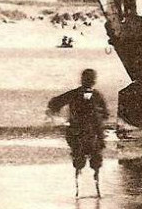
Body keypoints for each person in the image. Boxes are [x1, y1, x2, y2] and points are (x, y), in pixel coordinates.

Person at [46, 68, 110, 198]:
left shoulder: (81, 94)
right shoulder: (95, 95)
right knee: (90, 160)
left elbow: (55, 103)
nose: (89, 81)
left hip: (84, 132)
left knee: (85, 160)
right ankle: (92, 190)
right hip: (86, 133)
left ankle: (81, 190)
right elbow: (105, 114)